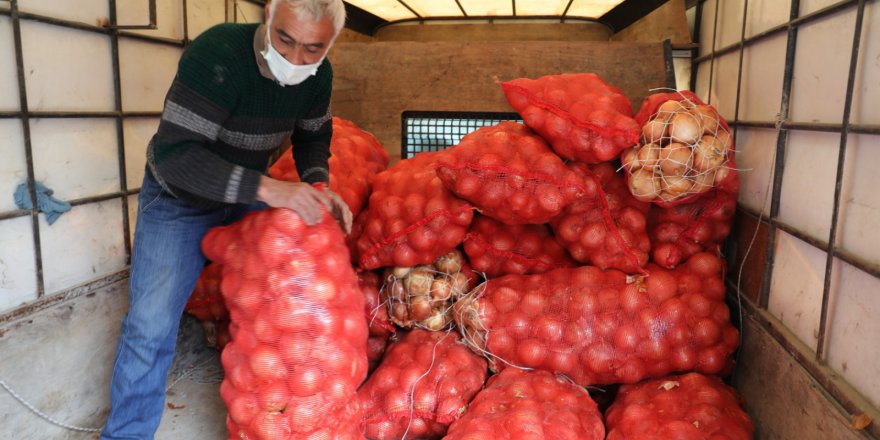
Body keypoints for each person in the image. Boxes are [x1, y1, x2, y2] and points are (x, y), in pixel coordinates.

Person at [100, 0, 350, 438]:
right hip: (180, 196)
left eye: (313, 49)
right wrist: (271, 190)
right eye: (285, 39)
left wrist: (318, 187)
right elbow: (176, 157)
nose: (295, 59)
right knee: (150, 326)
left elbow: (313, 136)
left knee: (291, 294)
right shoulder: (218, 54)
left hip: (248, 189)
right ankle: (125, 434)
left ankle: (286, 412)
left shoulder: (318, 75)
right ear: (269, 14)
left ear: (331, 43)